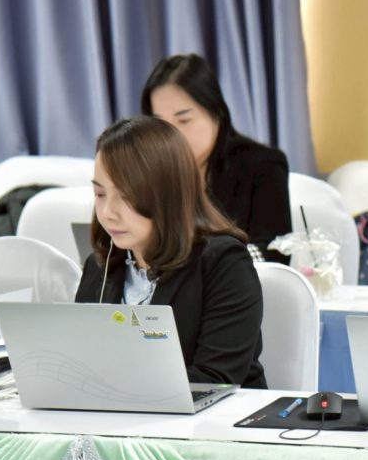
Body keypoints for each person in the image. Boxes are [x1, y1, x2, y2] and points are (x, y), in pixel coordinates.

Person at [74, 116, 267, 388]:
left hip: (218, 413)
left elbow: (215, 380)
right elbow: (83, 360)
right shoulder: (100, 267)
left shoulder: (224, 263)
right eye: (100, 194)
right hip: (118, 412)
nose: (107, 213)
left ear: (167, 194)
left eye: (125, 196)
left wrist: (112, 384)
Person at [141, 54, 291, 263]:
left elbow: (276, 251)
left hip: (237, 282)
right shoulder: (150, 171)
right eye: (161, 124)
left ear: (216, 112)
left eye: (184, 120)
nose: (171, 135)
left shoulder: (262, 165)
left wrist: (213, 266)